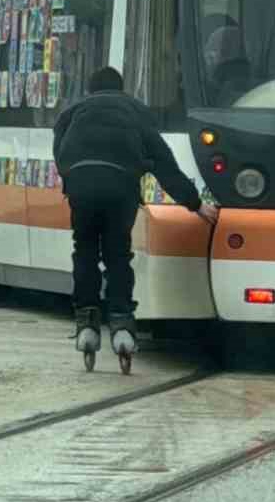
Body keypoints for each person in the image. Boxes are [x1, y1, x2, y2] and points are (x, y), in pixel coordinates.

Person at [53, 66, 218, 357]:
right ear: (121, 89)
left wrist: (74, 183)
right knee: (118, 254)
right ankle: (122, 323)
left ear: (91, 90)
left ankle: (87, 321)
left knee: (85, 250)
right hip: (120, 187)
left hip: (81, 186)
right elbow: (164, 163)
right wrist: (194, 204)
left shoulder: (72, 112)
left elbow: (60, 154)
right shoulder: (135, 111)